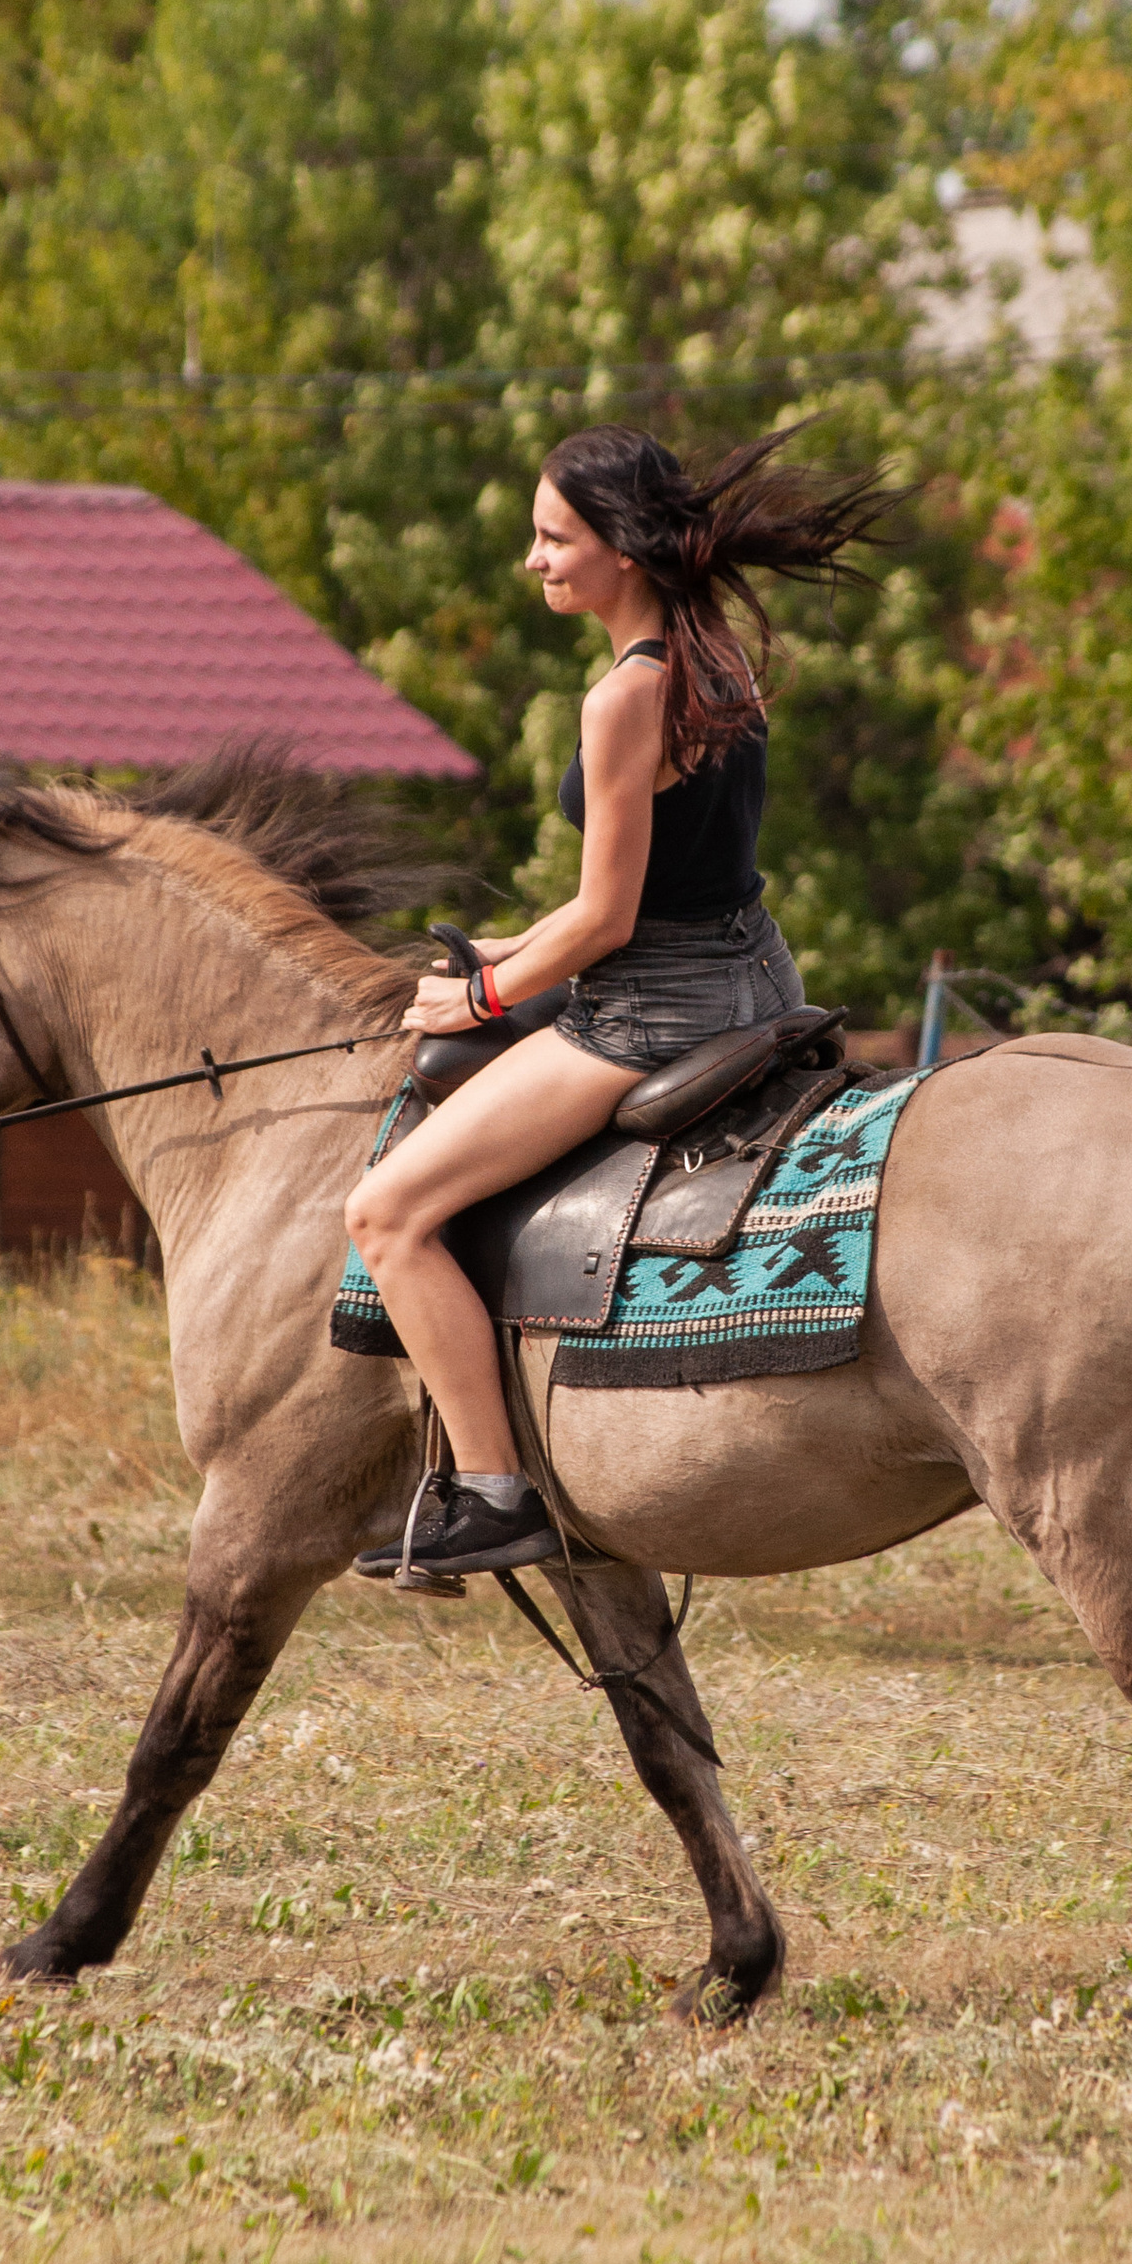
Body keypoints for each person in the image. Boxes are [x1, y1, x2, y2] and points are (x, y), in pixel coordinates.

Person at [347, 421, 898, 1580]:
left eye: (554, 537)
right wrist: (496, 946)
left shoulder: (621, 699)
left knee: (387, 1213)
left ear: (625, 552)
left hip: (650, 1014)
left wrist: (483, 992)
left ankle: (493, 1490)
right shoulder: (720, 664)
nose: (534, 560)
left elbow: (603, 923)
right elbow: (652, 893)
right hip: (752, 972)